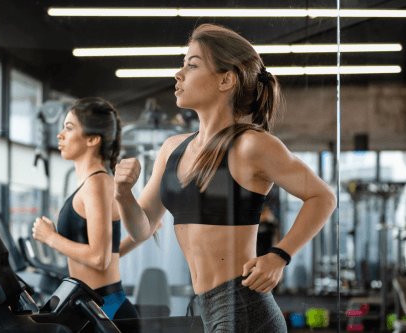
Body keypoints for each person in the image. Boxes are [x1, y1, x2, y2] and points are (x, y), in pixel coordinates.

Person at [114, 24, 337, 332]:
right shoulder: (172, 149)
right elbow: (142, 228)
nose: (178, 75)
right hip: (209, 307)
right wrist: (123, 193)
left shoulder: (251, 145)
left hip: (245, 308)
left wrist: (278, 256)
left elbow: (323, 196)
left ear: (226, 80)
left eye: (192, 65)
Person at [32, 97, 138, 320]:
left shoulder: (97, 184)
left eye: (69, 128)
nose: (60, 135)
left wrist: (50, 237)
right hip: (93, 303)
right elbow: (109, 252)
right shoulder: (95, 183)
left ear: (92, 139)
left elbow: (100, 258)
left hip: (105, 308)